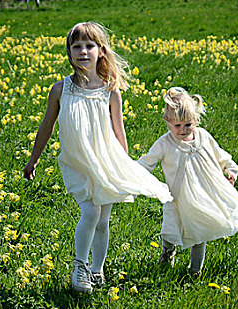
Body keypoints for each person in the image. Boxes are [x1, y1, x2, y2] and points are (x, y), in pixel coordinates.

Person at [23, 22, 173, 293]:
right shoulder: (61, 90)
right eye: (76, 46)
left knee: (103, 219)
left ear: (101, 51)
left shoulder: (110, 90)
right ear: (69, 52)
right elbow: (46, 126)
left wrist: (124, 166)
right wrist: (34, 159)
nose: (83, 51)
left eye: (89, 46)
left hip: (107, 162)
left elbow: (119, 132)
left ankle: (97, 269)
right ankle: (79, 266)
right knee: (90, 211)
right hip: (78, 161)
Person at [138, 87, 238, 277]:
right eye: (177, 126)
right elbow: (146, 163)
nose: (183, 131)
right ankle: (167, 254)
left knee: (199, 233)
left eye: (188, 125)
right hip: (176, 198)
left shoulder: (203, 137)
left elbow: (222, 157)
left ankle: (195, 271)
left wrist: (230, 172)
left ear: (195, 119)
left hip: (202, 195)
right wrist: (133, 175)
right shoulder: (164, 143)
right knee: (169, 230)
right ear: (167, 121)